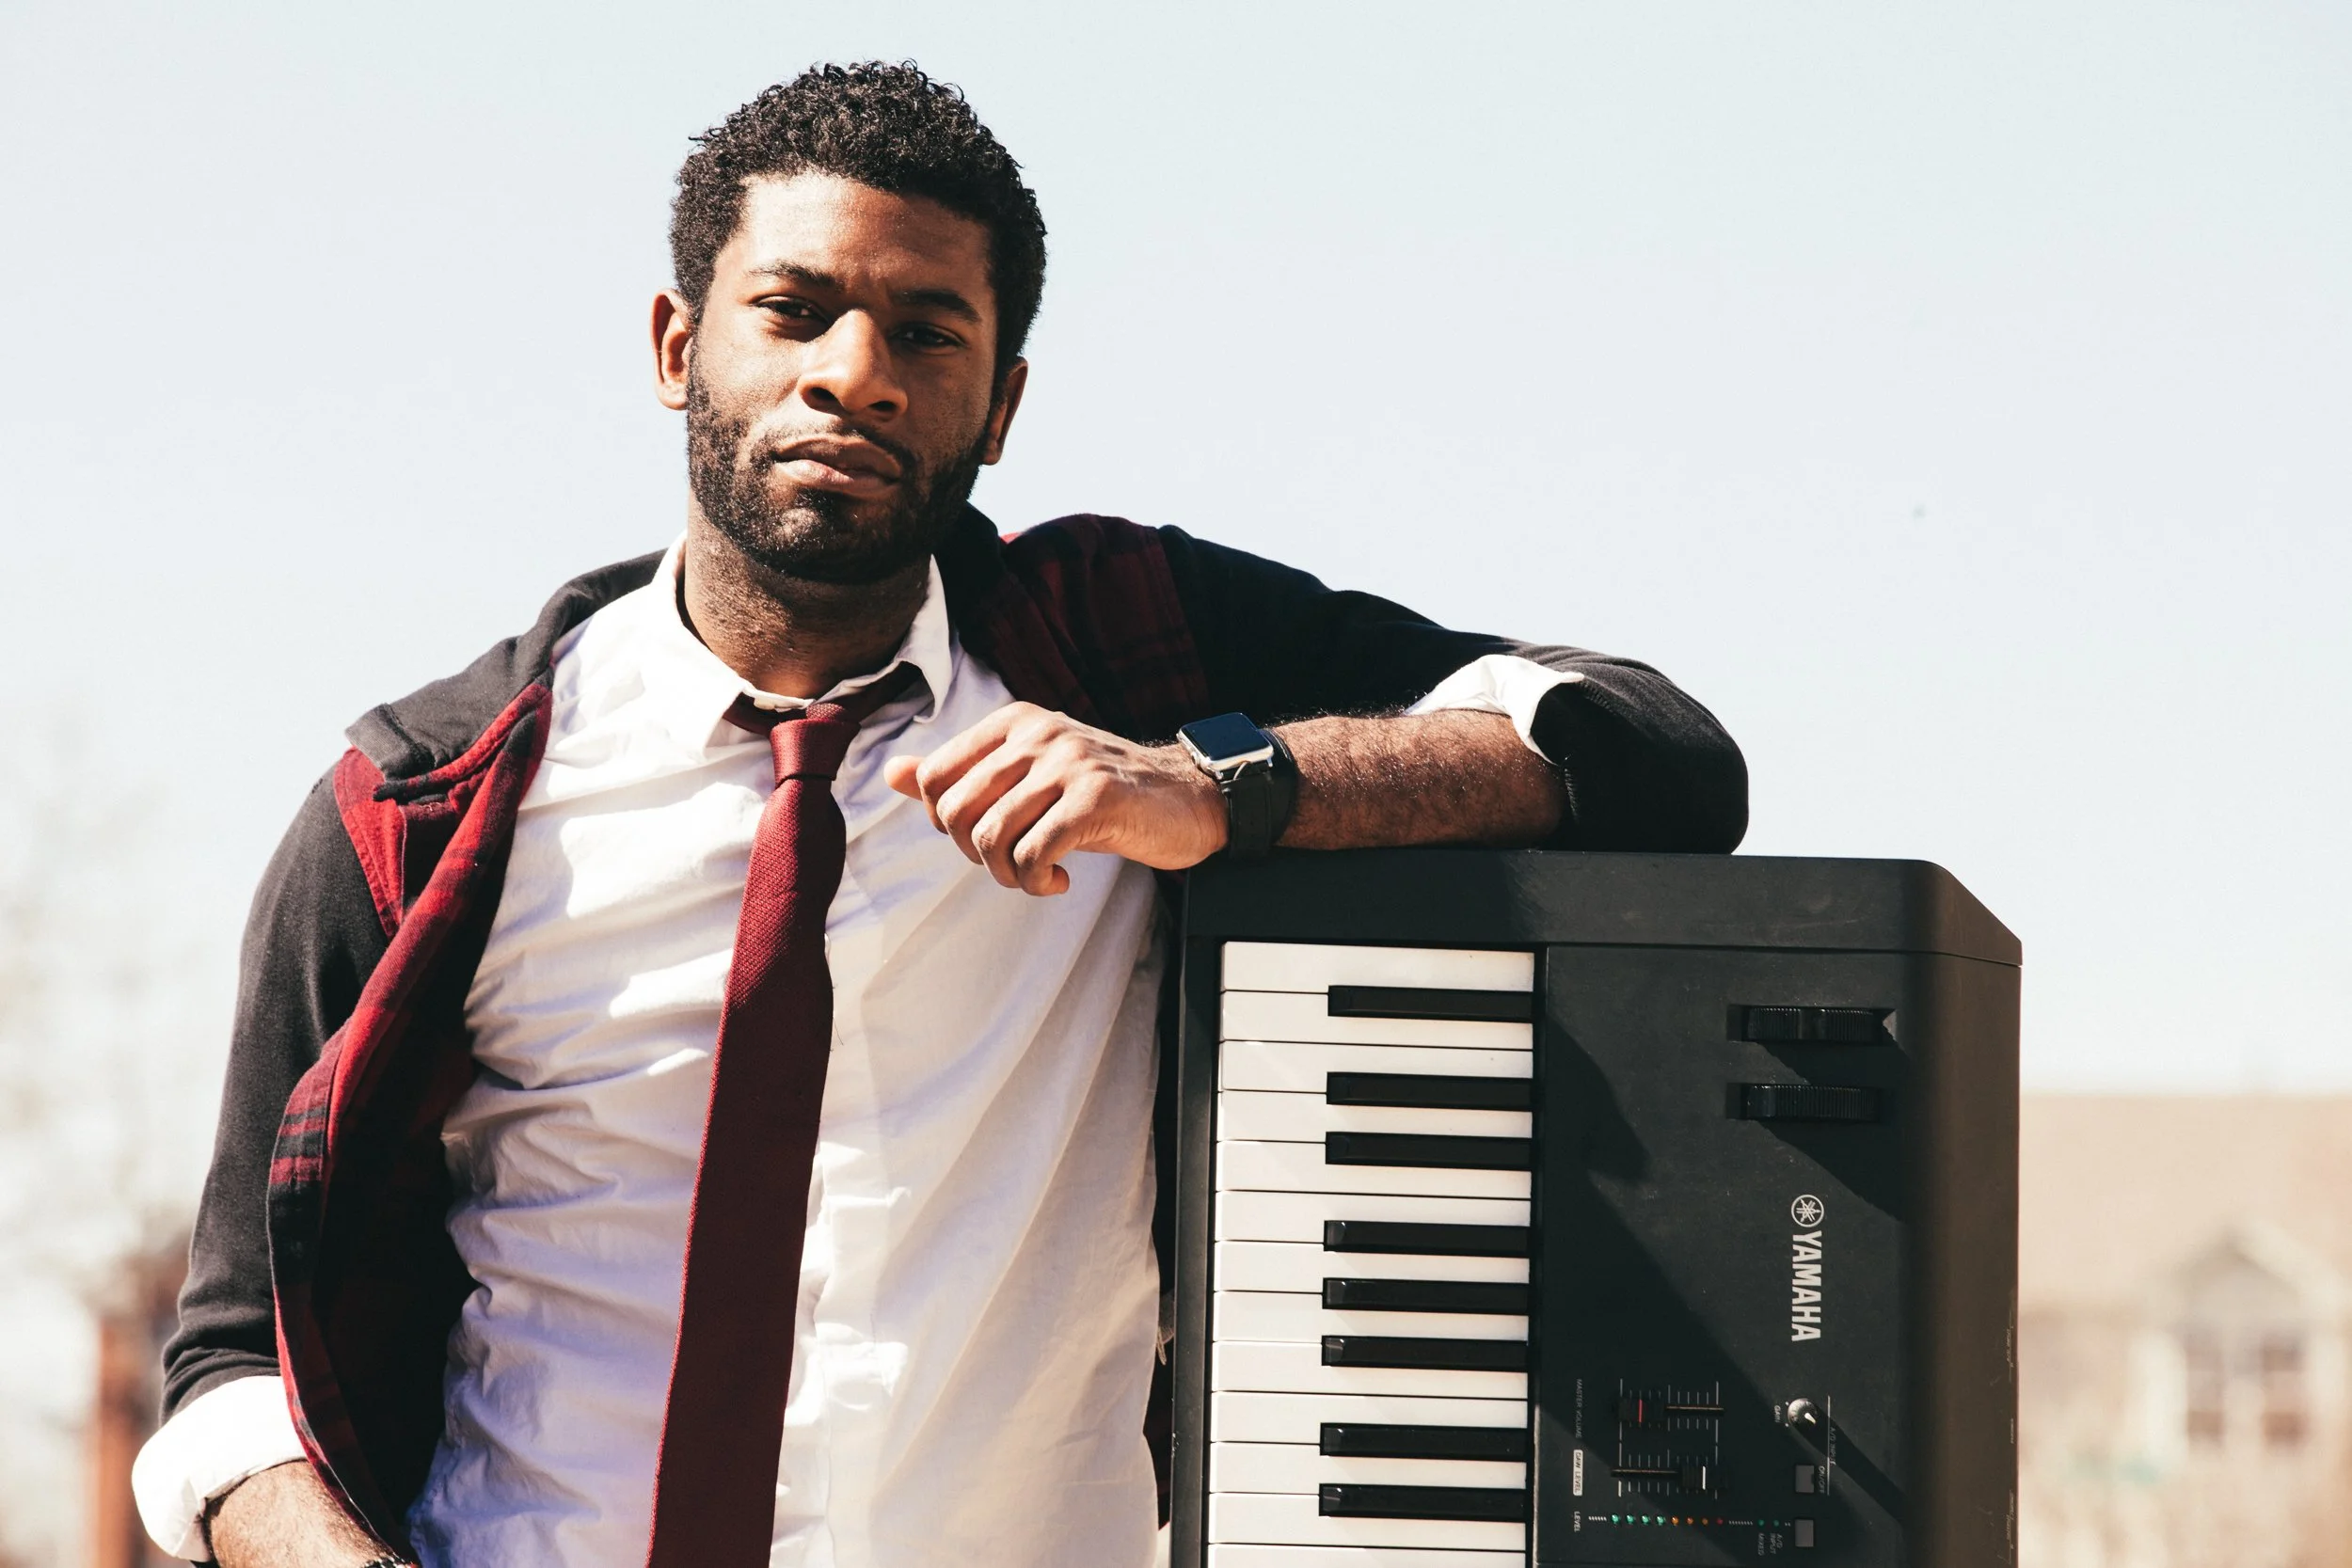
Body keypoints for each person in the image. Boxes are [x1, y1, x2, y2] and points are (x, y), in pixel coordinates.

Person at [131, 61, 1746, 1568]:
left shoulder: (1126, 654)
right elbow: (229, 1364)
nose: (857, 375)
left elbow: (1653, 753)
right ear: (678, 346)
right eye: (796, 310)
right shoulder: (428, 803)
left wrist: (1217, 789)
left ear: (1001, 404)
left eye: (926, 332)